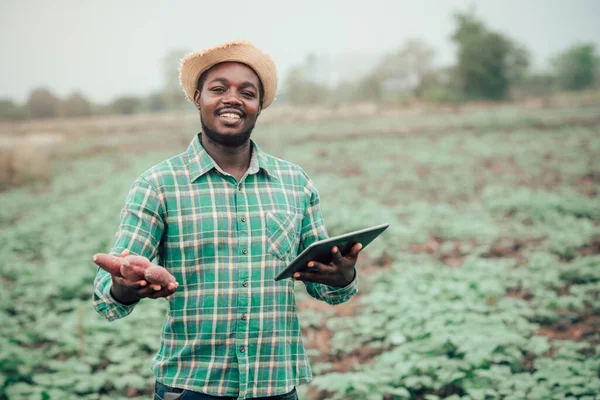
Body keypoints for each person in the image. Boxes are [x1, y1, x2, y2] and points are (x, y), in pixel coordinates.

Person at [92, 40, 362, 400]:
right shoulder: (158, 185)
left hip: (275, 386)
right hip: (192, 386)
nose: (233, 98)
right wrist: (125, 286)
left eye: (247, 92)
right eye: (219, 89)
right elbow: (108, 295)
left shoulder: (294, 182)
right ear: (198, 98)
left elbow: (323, 285)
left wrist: (343, 276)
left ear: (258, 106)